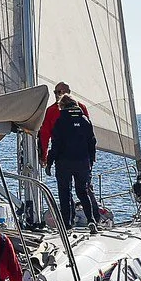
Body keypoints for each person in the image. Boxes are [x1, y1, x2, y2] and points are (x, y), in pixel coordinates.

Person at [44, 92, 101, 231]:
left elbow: (55, 145)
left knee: (65, 193)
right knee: (82, 192)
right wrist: (91, 159)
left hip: (64, 163)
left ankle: (66, 224)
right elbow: (92, 142)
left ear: (62, 106)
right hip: (82, 162)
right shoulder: (85, 120)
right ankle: (91, 220)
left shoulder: (60, 122)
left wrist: (49, 162)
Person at [38, 82, 89, 166]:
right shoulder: (51, 111)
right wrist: (44, 156)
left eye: (60, 92)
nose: (57, 94)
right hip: (62, 156)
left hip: (81, 156)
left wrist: (91, 157)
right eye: (55, 92)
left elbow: (88, 133)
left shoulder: (81, 108)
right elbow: (45, 135)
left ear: (68, 92)